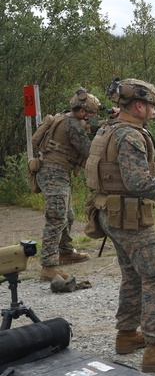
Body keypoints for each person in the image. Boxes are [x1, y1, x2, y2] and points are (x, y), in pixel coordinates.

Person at [85, 78, 155, 373]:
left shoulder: (108, 129)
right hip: (129, 217)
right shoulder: (131, 136)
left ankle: (126, 334)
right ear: (138, 105)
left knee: (133, 276)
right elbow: (137, 182)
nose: (152, 111)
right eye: (150, 105)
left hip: (109, 213)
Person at [33, 87, 102, 287]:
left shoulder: (66, 117)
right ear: (81, 112)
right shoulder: (72, 124)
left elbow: (90, 130)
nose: (91, 118)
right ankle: (48, 266)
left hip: (57, 173)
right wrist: (105, 130)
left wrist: (102, 124)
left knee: (68, 215)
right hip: (54, 173)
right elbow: (88, 150)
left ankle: (65, 251)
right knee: (56, 217)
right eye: (90, 115)